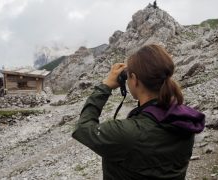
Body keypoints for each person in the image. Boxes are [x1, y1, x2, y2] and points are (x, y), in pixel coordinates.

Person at [72, 44, 205, 179]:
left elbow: (82, 129)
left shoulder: (128, 133)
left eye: (128, 76)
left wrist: (105, 86)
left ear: (134, 80)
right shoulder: (185, 120)